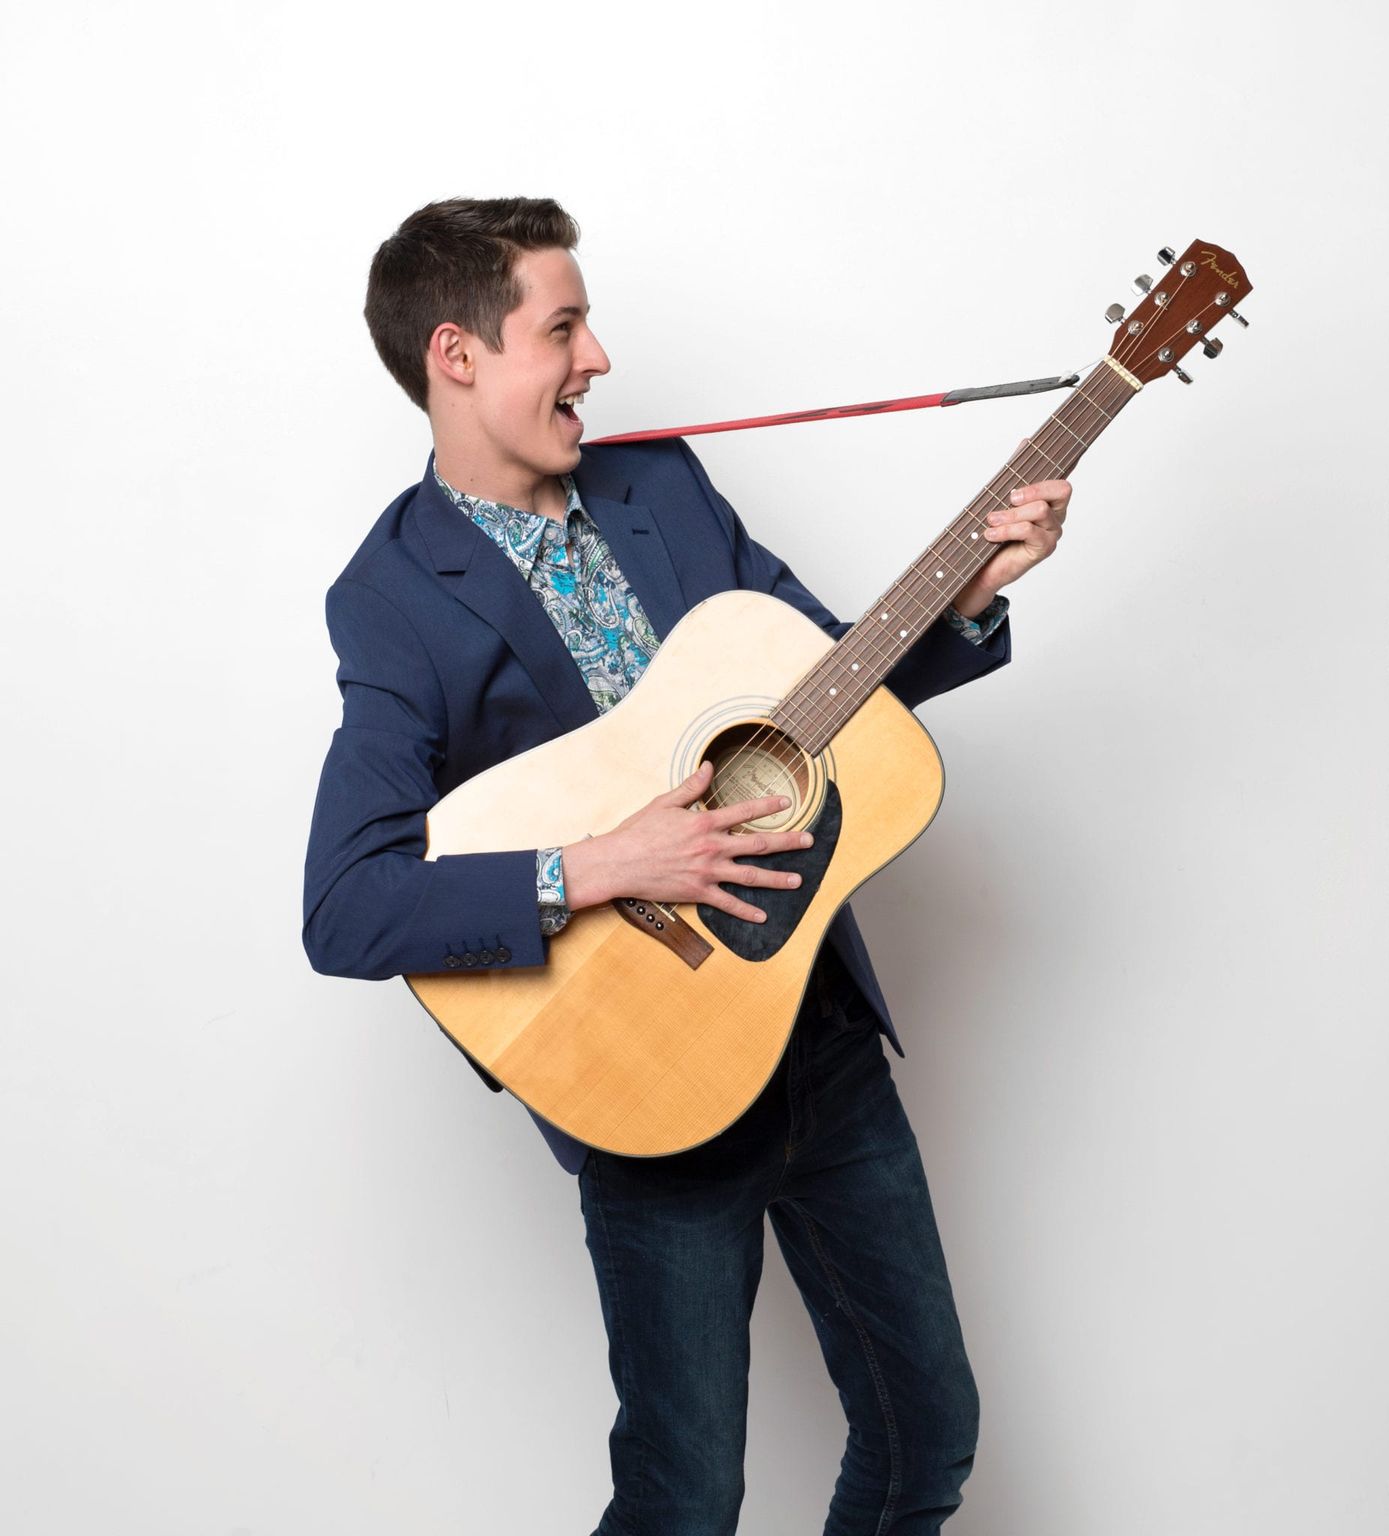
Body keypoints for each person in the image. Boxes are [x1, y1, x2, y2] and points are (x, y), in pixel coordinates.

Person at [301, 197, 1071, 1534]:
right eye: (564, 324)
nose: (599, 357)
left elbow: (831, 686)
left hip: (817, 1037)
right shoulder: (392, 594)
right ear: (457, 355)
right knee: (684, 1496)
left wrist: (971, 591)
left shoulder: (661, 486)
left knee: (926, 1434)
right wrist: (601, 861)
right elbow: (348, 906)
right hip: (651, 1090)